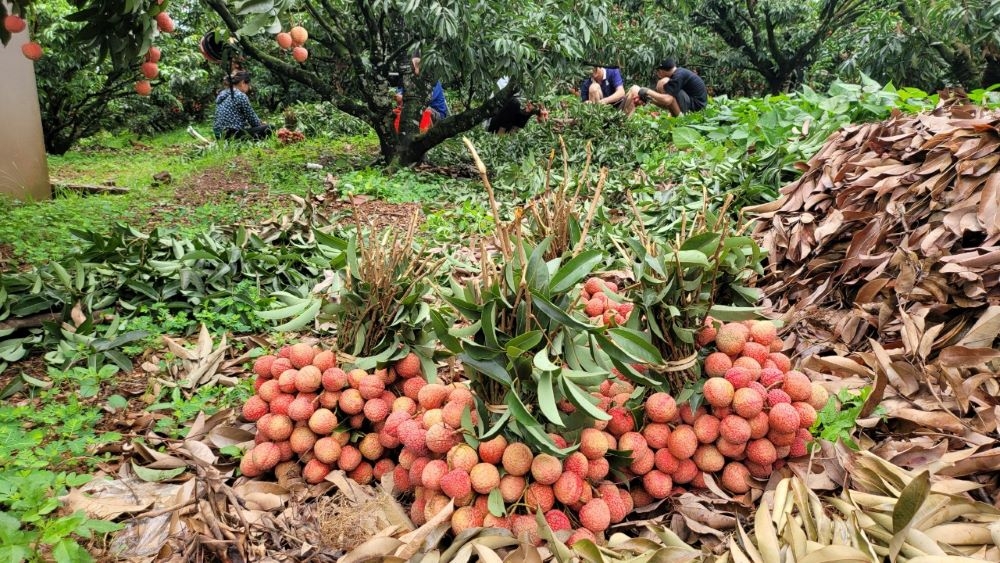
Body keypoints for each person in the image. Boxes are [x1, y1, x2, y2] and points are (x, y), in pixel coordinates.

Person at [625, 59, 708, 117]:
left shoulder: (678, 75)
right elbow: (665, 103)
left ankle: (680, 119)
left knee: (665, 82)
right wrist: (649, 99)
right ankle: (676, 115)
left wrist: (647, 91)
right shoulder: (679, 72)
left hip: (696, 107)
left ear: (660, 72)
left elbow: (668, 100)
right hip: (692, 102)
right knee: (666, 89)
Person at [212, 71, 271, 140]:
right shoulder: (240, 95)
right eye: (248, 85)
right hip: (231, 135)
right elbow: (254, 122)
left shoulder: (223, 93)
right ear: (243, 83)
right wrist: (262, 124)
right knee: (269, 128)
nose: (248, 88)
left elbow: (235, 118)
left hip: (219, 135)